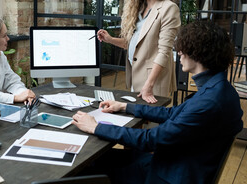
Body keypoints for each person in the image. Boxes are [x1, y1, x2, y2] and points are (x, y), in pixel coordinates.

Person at [72, 22, 243, 184]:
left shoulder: (209, 102)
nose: (180, 53)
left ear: (198, 52)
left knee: (85, 169)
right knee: (98, 160)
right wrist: (125, 106)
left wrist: (95, 127)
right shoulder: (219, 88)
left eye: (183, 48)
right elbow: (172, 114)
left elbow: (149, 140)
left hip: (169, 174)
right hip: (178, 163)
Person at [97, 0, 180, 103]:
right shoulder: (140, 9)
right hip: (136, 77)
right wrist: (109, 39)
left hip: (153, 80)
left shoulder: (168, 8)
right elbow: (133, 45)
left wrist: (149, 84)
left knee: (151, 124)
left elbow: (164, 52)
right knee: (137, 121)